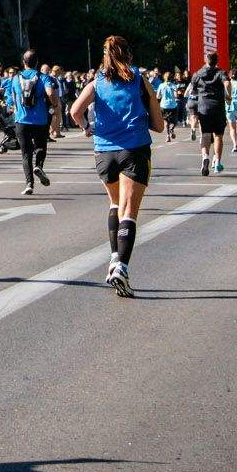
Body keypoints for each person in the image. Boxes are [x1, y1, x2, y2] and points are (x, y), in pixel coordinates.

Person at [70, 35, 163, 298]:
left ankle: (113, 258)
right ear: (128, 54)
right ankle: (121, 267)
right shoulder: (138, 78)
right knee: (129, 211)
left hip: (104, 152)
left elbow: (75, 111)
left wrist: (87, 128)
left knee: (114, 204)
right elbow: (158, 122)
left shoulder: (96, 82)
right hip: (133, 149)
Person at [5, 50, 54, 193]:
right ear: (37, 62)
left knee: (26, 154)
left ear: (23, 62)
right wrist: (54, 105)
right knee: (40, 147)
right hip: (40, 119)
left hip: (21, 120)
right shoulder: (43, 77)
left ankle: (29, 184)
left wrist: (13, 108)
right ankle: (39, 166)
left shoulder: (15, 79)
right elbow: (50, 93)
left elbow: (11, 99)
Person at [184, 51, 229, 177]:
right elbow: (227, 83)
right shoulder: (221, 72)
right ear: (217, 61)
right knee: (218, 136)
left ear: (206, 60)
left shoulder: (197, 74)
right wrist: (228, 94)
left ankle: (205, 157)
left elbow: (192, 90)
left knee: (205, 134)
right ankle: (218, 162)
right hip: (218, 107)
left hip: (203, 107)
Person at [156, 72, 180, 143]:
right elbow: (176, 96)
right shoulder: (174, 86)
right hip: (172, 105)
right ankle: (172, 128)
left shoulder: (161, 85)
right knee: (175, 120)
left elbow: (158, 96)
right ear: (171, 78)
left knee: (166, 121)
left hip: (163, 105)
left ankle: (168, 136)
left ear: (164, 77)